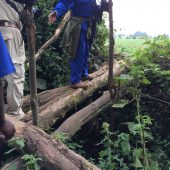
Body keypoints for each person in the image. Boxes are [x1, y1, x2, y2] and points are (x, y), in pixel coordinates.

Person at [48, 0, 104, 89]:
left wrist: (104, 6)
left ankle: (83, 74)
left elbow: (94, 7)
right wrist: (56, 12)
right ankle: (75, 80)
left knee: (86, 51)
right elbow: (64, 2)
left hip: (88, 25)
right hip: (78, 26)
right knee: (78, 52)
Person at [0, 0, 36, 119]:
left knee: (5, 73)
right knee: (15, 72)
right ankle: (14, 113)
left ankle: (8, 110)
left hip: (8, 30)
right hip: (9, 30)